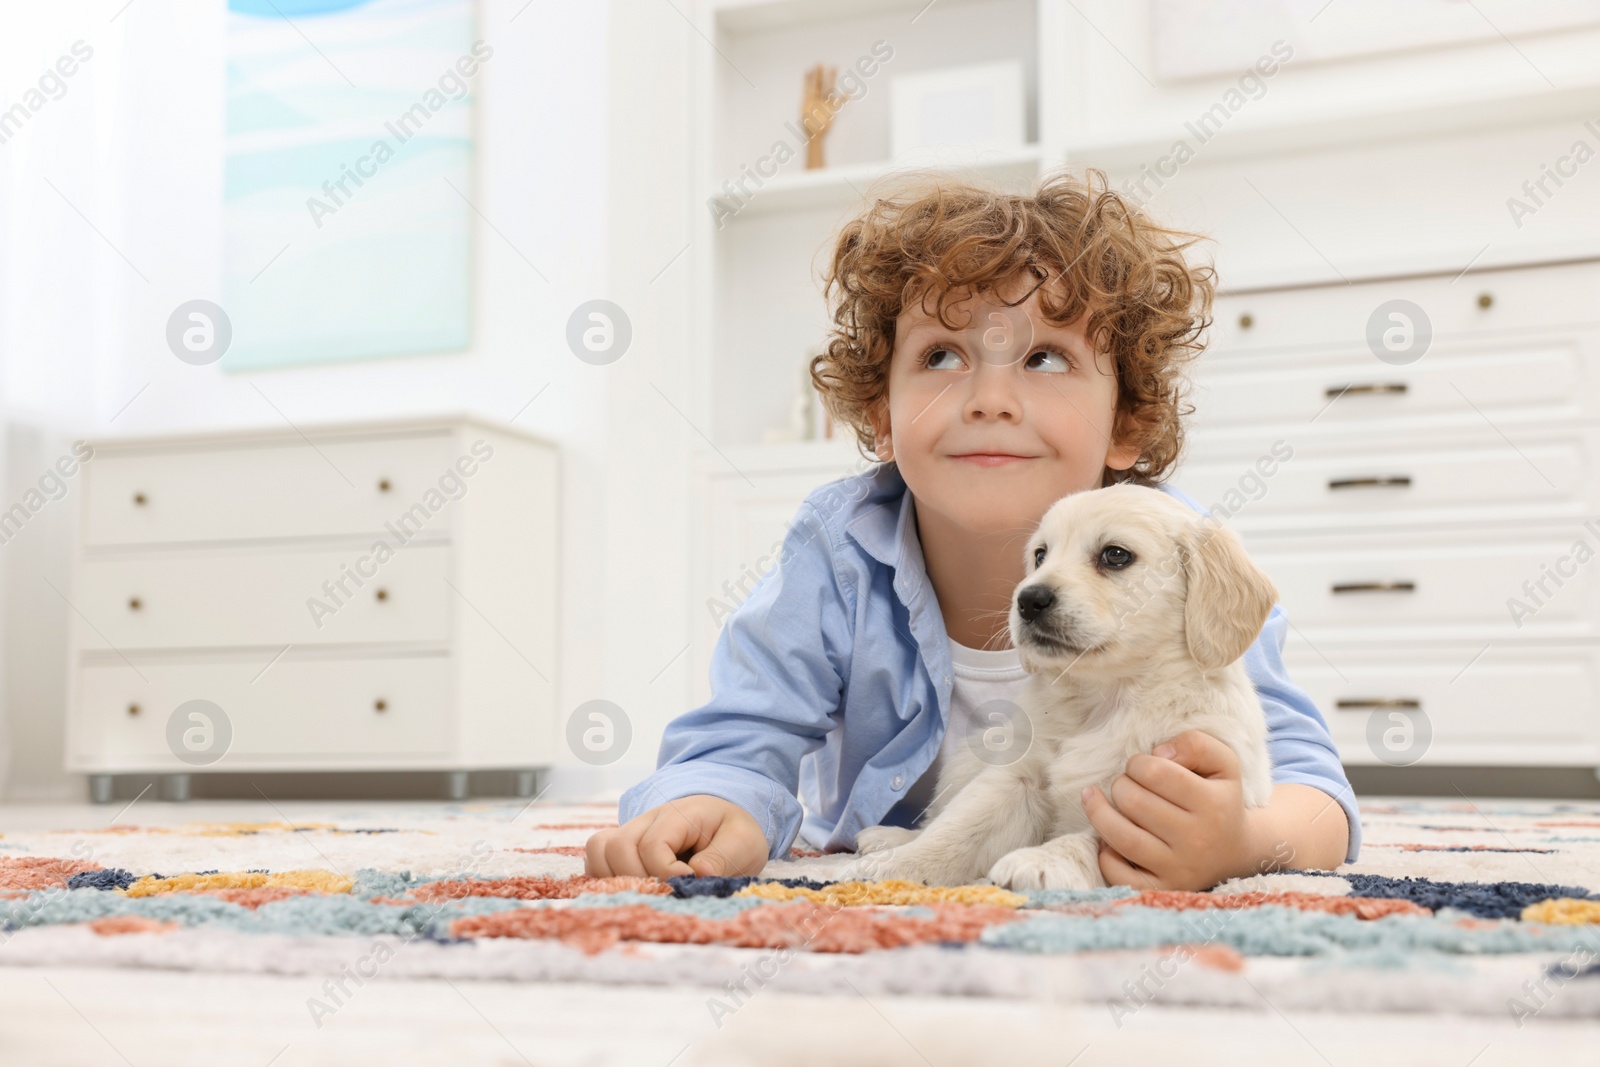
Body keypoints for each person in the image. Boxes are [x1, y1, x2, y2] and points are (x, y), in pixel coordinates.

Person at [585, 167, 1358, 890]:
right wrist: (715, 801)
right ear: (882, 419)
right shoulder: (841, 546)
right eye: (944, 354)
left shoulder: (1184, 554)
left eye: (1047, 359)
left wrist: (1247, 844)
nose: (991, 397)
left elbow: (1310, 783)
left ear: (1127, 422)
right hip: (911, 850)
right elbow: (744, 733)